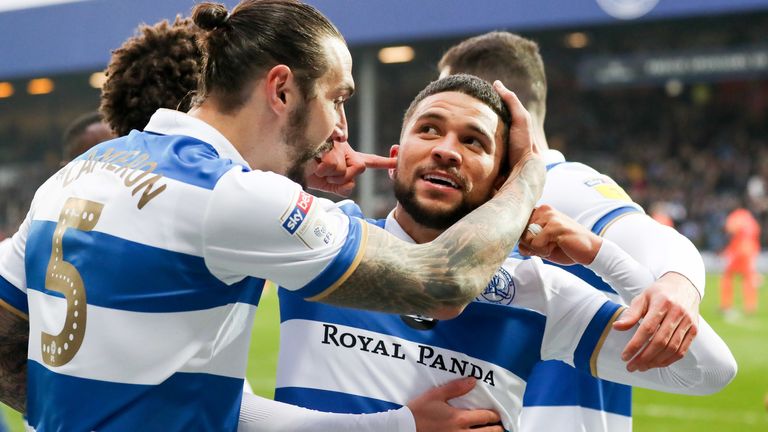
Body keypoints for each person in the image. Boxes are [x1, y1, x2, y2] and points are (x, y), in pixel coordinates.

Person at [0, 2, 546, 431]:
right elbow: (444, 283)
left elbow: (8, 345)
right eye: (337, 98)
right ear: (282, 88)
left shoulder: (79, 172)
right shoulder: (231, 196)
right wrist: (527, 173)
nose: (340, 126)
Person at [272, 74, 736, 432]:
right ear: (396, 157)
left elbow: (708, 372)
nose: (446, 151)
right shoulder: (321, 234)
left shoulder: (538, 292)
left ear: (503, 183)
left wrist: (599, 254)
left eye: (473, 141)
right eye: (429, 130)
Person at [438, 32, 707, 431]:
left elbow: (655, 240)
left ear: (496, 104)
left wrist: (678, 284)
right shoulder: (492, 199)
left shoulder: (559, 184)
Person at [721, 206, 761, 316]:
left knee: (728, 276)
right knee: (748, 278)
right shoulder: (752, 221)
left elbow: (730, 228)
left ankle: (726, 305)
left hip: (738, 250)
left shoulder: (736, 217)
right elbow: (756, 235)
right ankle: (750, 306)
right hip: (750, 250)